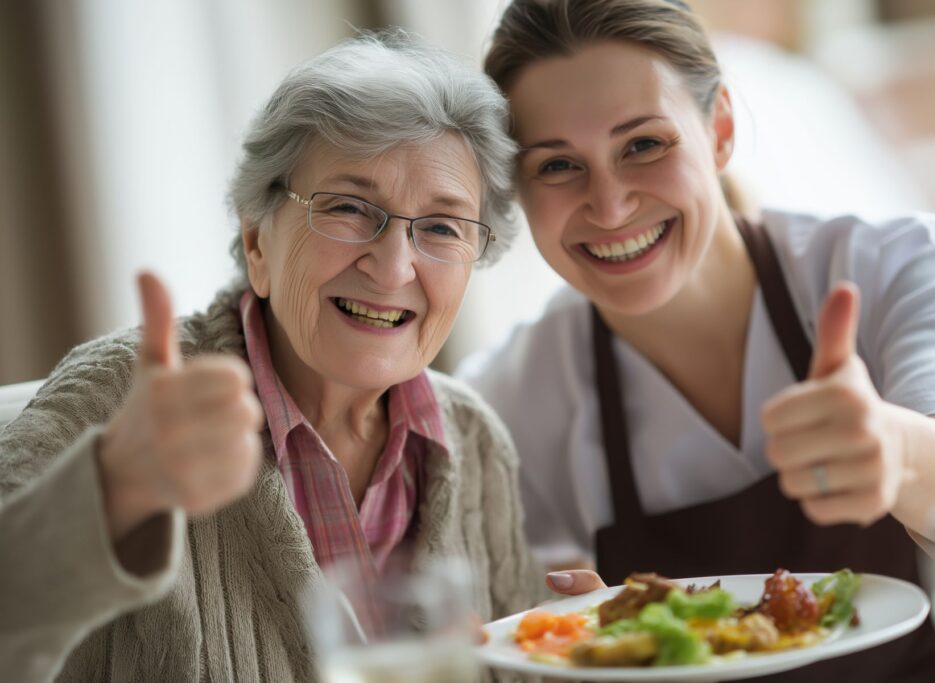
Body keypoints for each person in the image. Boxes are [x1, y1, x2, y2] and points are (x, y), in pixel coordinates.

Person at [458, 1, 935, 680]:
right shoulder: (512, 394)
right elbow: (524, 617)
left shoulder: (887, 264)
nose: (609, 207)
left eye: (644, 145)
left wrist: (897, 448)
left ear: (720, 128)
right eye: (557, 166)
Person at [0, 32, 544, 682]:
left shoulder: (477, 441)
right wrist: (109, 491)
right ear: (256, 240)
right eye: (348, 207)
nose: (394, 265)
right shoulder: (122, 404)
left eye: (442, 227)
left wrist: (580, 653)